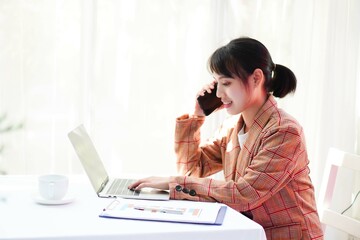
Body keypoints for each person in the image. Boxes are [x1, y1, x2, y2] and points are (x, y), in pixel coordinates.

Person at [128, 37, 324, 240]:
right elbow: (192, 170)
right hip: (249, 233)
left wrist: (172, 182)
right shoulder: (233, 127)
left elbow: (244, 194)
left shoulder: (284, 132)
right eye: (217, 84)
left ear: (256, 78)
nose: (219, 93)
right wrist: (197, 115)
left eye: (227, 83)